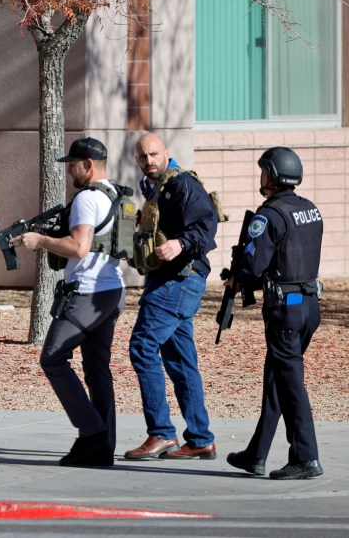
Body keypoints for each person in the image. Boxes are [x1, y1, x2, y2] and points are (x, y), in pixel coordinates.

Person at [13, 137, 125, 467]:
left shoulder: (87, 199)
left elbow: (78, 247)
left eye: (73, 164)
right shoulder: (115, 195)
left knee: (53, 358)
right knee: (96, 369)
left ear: (88, 165)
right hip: (111, 290)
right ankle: (102, 447)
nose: (70, 171)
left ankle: (92, 434)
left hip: (87, 293)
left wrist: (40, 240)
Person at [226, 147, 324, 480]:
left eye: (263, 172)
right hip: (310, 306)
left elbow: (254, 265)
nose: (261, 178)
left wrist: (238, 273)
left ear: (271, 175)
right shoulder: (309, 210)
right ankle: (256, 454)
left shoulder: (268, 215)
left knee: (291, 383)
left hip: (286, 312)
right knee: (278, 380)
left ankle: (305, 457)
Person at [125, 132, 217, 461]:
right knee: (179, 359)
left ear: (166, 152)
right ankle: (200, 439)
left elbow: (206, 224)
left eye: (153, 154)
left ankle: (161, 434)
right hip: (168, 279)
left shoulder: (181, 185)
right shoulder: (155, 187)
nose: (148, 161)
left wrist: (180, 243)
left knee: (142, 346)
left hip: (178, 280)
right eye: (142, 157)